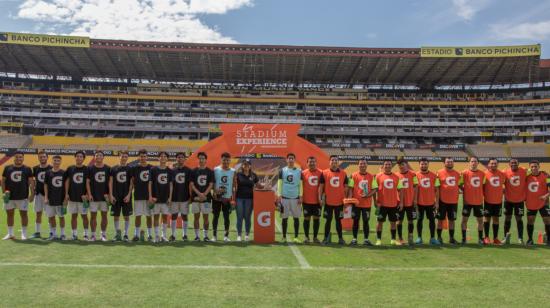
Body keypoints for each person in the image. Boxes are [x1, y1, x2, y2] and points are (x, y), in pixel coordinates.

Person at [1, 151, 34, 240]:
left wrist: (32, 194)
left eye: (20, 157)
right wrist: (4, 193)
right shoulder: (7, 168)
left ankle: (24, 234)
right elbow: (3, 181)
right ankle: (10, 234)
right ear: (13, 158)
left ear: (23, 158)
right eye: (17, 157)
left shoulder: (27, 168)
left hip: (22, 197)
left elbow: (31, 182)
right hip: (9, 197)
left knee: (23, 215)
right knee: (9, 215)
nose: (18, 158)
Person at [373, 160, 404, 246]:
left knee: (393, 222)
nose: (387, 166)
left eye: (389, 164)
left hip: (393, 204)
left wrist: (401, 203)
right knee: (379, 222)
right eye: (386, 164)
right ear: (383, 166)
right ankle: (378, 240)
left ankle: (393, 239)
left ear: (391, 166)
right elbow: (374, 189)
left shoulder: (396, 177)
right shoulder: (378, 176)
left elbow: (401, 190)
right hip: (382, 205)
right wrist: (375, 201)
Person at [319, 155, 348, 245]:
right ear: (329, 162)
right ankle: (325, 238)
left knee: (338, 221)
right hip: (328, 202)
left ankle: (340, 238)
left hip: (339, 202)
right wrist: (320, 198)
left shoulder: (343, 173)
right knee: (328, 220)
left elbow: (346, 187)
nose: (334, 162)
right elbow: (321, 187)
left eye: (336, 160)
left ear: (338, 162)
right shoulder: (324, 173)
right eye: (332, 160)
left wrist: (345, 200)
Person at [347, 157, 376, 246]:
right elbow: (351, 188)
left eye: (364, 163)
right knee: (355, 221)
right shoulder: (353, 175)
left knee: (366, 221)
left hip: (366, 204)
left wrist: (368, 195)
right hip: (356, 204)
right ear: (358, 165)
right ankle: (354, 239)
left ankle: (366, 239)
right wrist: (350, 199)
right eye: (361, 163)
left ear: (367, 165)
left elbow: (374, 189)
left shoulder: (371, 176)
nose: (362, 165)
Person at [277, 153, 303, 243]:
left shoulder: (299, 171)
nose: (291, 160)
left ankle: (296, 237)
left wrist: (300, 196)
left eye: (292, 158)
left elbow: (301, 185)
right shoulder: (282, 170)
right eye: (289, 158)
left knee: (296, 218)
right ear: (286, 160)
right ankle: (284, 237)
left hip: (295, 198)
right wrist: (279, 195)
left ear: (294, 160)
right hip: (285, 198)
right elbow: (279, 184)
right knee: (284, 218)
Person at [148, 151, 173, 243]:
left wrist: (170, 197)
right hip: (155, 198)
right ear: (158, 158)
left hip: (165, 198)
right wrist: (150, 196)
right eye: (161, 156)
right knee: (156, 217)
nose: (163, 157)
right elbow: (150, 183)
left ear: (167, 158)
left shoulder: (170, 171)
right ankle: (157, 236)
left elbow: (171, 185)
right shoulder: (153, 169)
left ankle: (164, 235)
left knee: (165, 217)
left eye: (165, 156)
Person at [415, 158, 440, 245]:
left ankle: (432, 238)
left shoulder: (434, 175)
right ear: (419, 165)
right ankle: (419, 238)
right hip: (419, 203)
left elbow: (437, 190)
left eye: (425, 164)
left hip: (431, 203)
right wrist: (415, 202)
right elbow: (414, 189)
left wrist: (436, 202)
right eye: (422, 164)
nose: (423, 165)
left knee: (432, 220)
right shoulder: (416, 175)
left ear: (428, 164)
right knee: (419, 220)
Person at [65, 151, 90, 241]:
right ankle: (74, 234)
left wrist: (87, 194)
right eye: (77, 156)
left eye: (81, 156)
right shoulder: (70, 168)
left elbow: (88, 183)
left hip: (83, 198)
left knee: (84, 216)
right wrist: (66, 193)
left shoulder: (87, 169)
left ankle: (86, 234)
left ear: (83, 158)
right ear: (75, 157)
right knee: (73, 216)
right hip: (72, 197)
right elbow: (67, 182)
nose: (79, 158)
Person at [460, 156, 485, 245]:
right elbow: (459, 184)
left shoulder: (482, 174)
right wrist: (464, 190)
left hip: (478, 201)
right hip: (467, 202)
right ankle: (464, 239)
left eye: (475, 161)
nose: (473, 163)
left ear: (478, 163)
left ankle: (480, 239)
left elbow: (484, 185)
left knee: (480, 221)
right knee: (464, 220)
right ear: (469, 163)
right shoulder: (464, 173)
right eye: (472, 161)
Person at [524, 160, 550, 246]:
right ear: (530, 168)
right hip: (531, 203)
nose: (534, 168)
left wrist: (546, 196)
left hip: (544, 203)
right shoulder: (526, 177)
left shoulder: (545, 175)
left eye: (536, 166)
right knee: (530, 221)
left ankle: (549, 239)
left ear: (539, 166)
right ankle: (530, 239)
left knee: (547, 220)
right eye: (532, 166)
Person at [109, 151, 133, 242]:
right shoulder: (113, 168)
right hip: (116, 195)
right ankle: (117, 234)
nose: (124, 158)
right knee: (116, 215)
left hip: (126, 196)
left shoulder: (130, 169)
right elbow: (110, 182)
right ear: (119, 157)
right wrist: (111, 195)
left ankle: (126, 234)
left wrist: (129, 194)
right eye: (122, 156)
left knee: (126, 215)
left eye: (126, 156)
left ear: (128, 158)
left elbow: (131, 183)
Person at [190, 152, 214, 242]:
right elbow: (192, 184)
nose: (201, 160)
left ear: (206, 160)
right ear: (198, 159)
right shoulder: (193, 171)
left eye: (203, 158)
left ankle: (206, 236)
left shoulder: (210, 171)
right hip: (196, 198)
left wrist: (204, 194)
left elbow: (211, 184)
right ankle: (197, 236)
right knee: (196, 217)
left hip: (206, 199)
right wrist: (199, 194)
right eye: (200, 158)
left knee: (206, 217)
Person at [87, 150, 110, 241]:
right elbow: (87, 182)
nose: (98, 157)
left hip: (104, 197)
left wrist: (110, 194)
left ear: (103, 157)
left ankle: (103, 235)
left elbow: (110, 182)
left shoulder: (108, 168)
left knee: (104, 216)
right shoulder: (90, 168)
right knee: (93, 216)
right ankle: (93, 235)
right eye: (97, 155)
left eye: (100, 155)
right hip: (93, 197)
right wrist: (89, 194)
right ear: (94, 157)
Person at [436, 157, 461, 244]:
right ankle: (439, 237)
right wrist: (436, 201)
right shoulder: (439, 173)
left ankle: (451, 238)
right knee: (440, 219)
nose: (450, 163)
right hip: (442, 201)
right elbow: (437, 187)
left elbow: (460, 185)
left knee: (452, 220)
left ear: (453, 163)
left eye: (451, 162)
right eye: (448, 162)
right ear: (444, 163)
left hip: (453, 201)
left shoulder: (457, 174)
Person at [213, 152, 236, 242]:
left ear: (230, 160)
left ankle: (226, 236)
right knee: (216, 216)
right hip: (217, 198)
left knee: (226, 217)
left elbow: (234, 186)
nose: (225, 161)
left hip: (227, 198)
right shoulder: (215, 169)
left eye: (227, 160)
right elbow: (213, 182)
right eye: (224, 160)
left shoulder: (233, 171)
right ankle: (214, 236)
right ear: (221, 159)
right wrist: (215, 191)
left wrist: (233, 199)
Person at [502, 158, 527, 244]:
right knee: (507, 218)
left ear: (518, 163)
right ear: (509, 164)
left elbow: (535, 171)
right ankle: (505, 237)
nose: (513, 164)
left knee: (519, 219)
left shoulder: (524, 170)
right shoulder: (505, 172)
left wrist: (544, 173)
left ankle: (520, 238)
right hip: (508, 200)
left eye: (515, 163)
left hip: (519, 200)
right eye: (512, 163)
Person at [482, 158, 506, 245]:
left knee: (496, 219)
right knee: (486, 219)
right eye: (492, 163)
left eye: (495, 163)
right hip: (488, 200)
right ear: (488, 164)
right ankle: (486, 237)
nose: (493, 165)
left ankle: (495, 238)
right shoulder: (484, 174)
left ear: (498, 164)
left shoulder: (502, 174)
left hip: (498, 201)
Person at [235, 159, 259, 242]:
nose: (246, 166)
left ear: (250, 166)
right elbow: (234, 186)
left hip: (249, 199)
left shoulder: (254, 175)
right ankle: (239, 235)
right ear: (242, 165)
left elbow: (258, 185)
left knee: (247, 217)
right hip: (239, 198)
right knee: (239, 217)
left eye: (248, 164)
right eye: (245, 164)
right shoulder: (238, 175)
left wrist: (266, 185)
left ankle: (247, 234)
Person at [170, 152, 193, 241]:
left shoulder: (189, 170)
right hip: (175, 197)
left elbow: (190, 184)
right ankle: (173, 235)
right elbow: (171, 185)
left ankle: (185, 235)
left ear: (185, 159)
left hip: (185, 197)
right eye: (178, 157)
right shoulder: (172, 171)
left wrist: (190, 196)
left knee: (184, 216)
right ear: (176, 159)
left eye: (182, 157)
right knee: (174, 215)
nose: (180, 159)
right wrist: (170, 197)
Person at [131, 149, 153, 241]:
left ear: (147, 157)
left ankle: (149, 235)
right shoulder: (134, 168)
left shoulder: (152, 168)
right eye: (141, 156)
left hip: (149, 197)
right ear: (138, 157)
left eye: (144, 156)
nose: (143, 158)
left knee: (149, 216)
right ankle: (136, 235)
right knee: (138, 216)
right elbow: (132, 182)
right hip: (138, 195)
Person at [44, 155, 66, 240]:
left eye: (58, 161)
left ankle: (63, 234)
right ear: (52, 161)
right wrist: (46, 197)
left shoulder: (64, 173)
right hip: (50, 198)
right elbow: (45, 185)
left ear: (60, 162)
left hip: (60, 199)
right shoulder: (48, 172)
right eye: (55, 160)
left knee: (61, 217)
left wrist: (65, 198)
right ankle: (53, 234)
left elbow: (66, 186)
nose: (56, 162)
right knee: (51, 217)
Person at [396, 158, 418, 245]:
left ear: (406, 164)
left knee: (411, 221)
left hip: (410, 202)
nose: (401, 166)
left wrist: (415, 199)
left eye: (403, 164)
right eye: (399, 165)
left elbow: (416, 187)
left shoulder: (413, 174)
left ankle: (410, 236)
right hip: (399, 203)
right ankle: (400, 238)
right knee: (399, 221)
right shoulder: (396, 175)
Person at [301, 156, 323, 244]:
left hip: (317, 201)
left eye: (313, 162)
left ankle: (315, 237)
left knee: (316, 219)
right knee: (306, 218)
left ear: (316, 163)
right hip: (306, 201)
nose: (312, 163)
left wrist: (321, 198)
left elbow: (323, 187)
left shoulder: (321, 173)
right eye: (310, 162)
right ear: (307, 163)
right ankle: (306, 237)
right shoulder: (303, 173)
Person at [32, 150, 51, 238]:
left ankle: (52, 233)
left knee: (50, 214)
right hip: (38, 194)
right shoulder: (35, 168)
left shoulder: (51, 168)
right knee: (38, 213)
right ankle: (37, 232)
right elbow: (34, 181)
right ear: (38, 158)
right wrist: (33, 191)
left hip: (49, 195)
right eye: (41, 157)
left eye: (44, 156)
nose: (42, 158)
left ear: (47, 157)